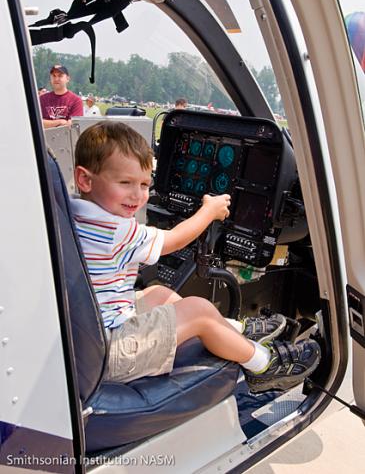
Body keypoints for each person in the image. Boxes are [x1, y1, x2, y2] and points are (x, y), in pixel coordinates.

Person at [70, 121, 321, 392]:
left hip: (90, 335)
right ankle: (265, 365)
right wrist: (209, 211)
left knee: (158, 294)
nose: (138, 195)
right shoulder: (114, 230)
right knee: (198, 309)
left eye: (144, 184)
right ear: (85, 179)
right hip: (111, 353)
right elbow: (173, 241)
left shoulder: (75, 211)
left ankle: (233, 330)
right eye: (125, 183)